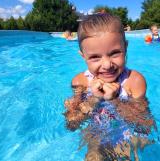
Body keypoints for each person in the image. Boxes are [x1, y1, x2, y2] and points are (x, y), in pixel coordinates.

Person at [64, 13, 154, 160]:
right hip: (97, 134)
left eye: (114, 53)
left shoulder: (134, 81)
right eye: (95, 57)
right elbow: (71, 124)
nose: (107, 65)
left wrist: (115, 100)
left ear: (125, 47)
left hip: (128, 134)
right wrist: (94, 99)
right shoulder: (80, 82)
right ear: (83, 56)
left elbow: (143, 125)